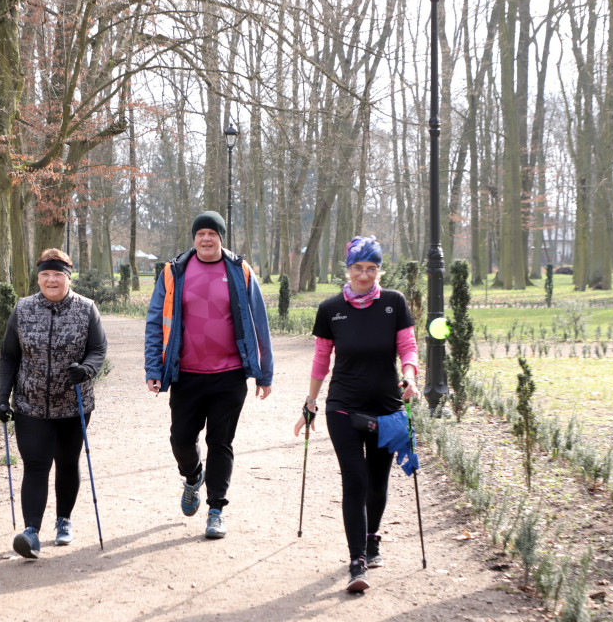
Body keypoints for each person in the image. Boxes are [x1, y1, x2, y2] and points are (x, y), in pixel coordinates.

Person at [293, 235, 419, 592]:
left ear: (380, 269)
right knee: (356, 479)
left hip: (387, 408)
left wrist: (409, 377)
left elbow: (408, 347)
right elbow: (321, 360)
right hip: (343, 407)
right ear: (347, 269)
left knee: (378, 482)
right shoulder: (330, 309)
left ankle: (372, 536)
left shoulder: (394, 303)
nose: (364, 275)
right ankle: (357, 561)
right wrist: (311, 403)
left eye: (372, 268)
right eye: (358, 268)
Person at [145, 211, 273, 540]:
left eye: (212, 233)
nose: (206, 239)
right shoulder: (174, 272)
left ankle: (216, 510)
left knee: (221, 442)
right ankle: (192, 476)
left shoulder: (240, 271)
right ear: (193, 238)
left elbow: (260, 321)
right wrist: (153, 368)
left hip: (229, 375)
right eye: (200, 233)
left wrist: (264, 373)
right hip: (186, 373)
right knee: (180, 440)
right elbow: (155, 320)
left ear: (221, 237)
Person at [0, 248, 107, 559]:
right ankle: (31, 532)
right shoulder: (23, 309)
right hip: (30, 405)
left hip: (74, 405)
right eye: (45, 274)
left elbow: (98, 350)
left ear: (68, 277)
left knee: (68, 463)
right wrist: (2, 397)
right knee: (35, 466)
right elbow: (8, 356)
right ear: (38, 277)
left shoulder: (86, 309)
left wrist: (86, 370)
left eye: (58, 274)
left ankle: (64, 520)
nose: (51, 280)